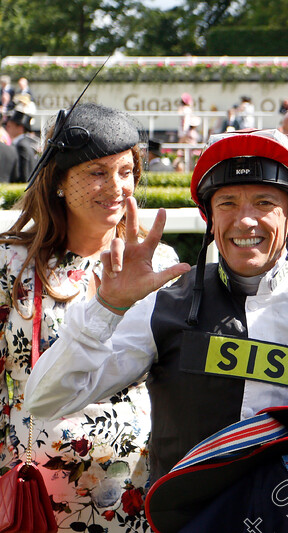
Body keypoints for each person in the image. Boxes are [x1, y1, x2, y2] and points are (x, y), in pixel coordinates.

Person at [25, 128, 288, 530]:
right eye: (228, 202)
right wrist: (106, 308)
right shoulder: (165, 306)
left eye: (265, 202)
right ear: (211, 219)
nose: (245, 219)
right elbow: (44, 401)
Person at [0, 102, 180, 530]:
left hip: (134, 496)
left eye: (125, 171)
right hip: (34, 496)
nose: (117, 186)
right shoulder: (12, 263)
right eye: (97, 172)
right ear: (59, 181)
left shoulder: (159, 262)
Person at [6, 108, 38, 183]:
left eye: (10, 126)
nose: (7, 128)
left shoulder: (21, 146)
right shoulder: (26, 142)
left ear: (20, 127)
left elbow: (24, 173)